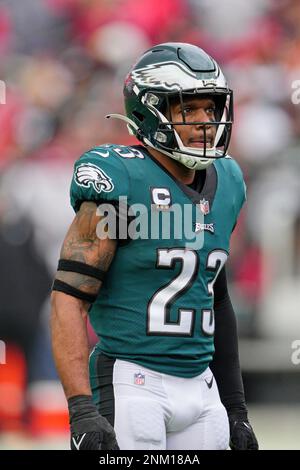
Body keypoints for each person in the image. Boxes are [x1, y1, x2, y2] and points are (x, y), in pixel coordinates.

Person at [50, 42, 259, 450]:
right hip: (133, 382)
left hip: (202, 387)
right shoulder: (120, 178)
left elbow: (216, 298)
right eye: (189, 109)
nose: (205, 122)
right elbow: (69, 299)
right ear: (150, 112)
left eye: (211, 109)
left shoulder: (228, 181)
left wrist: (236, 408)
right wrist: (81, 410)